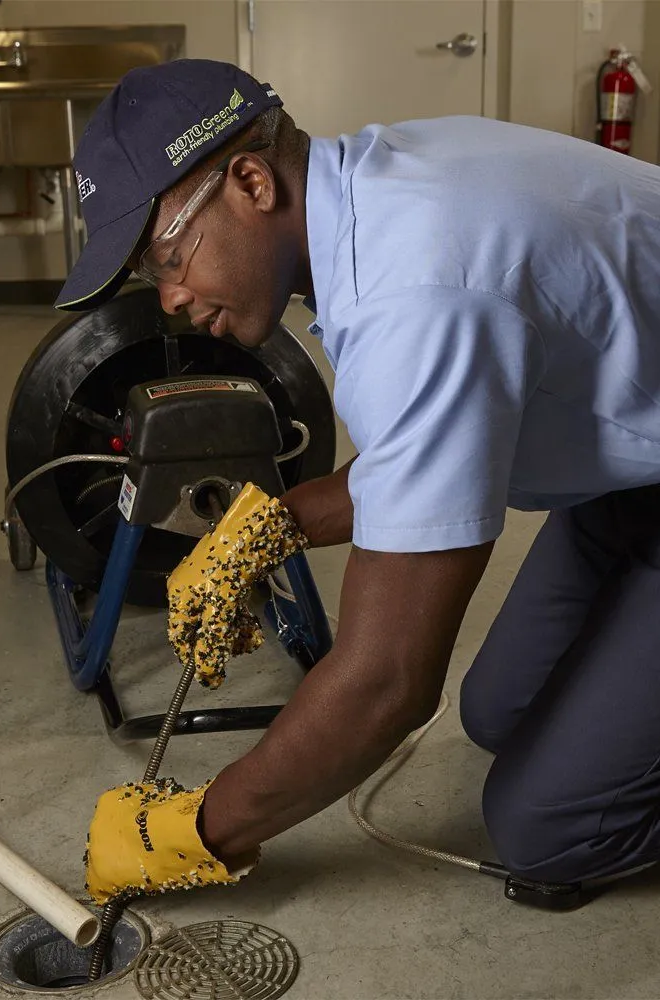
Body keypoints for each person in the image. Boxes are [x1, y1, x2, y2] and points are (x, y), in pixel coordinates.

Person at [53, 59, 660, 903]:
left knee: (550, 828)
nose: (173, 299)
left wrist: (199, 830)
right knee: (499, 713)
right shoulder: (376, 184)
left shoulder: (416, 288)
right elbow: (425, 451)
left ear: (251, 182)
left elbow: (388, 684)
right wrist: (271, 525)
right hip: (630, 476)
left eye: (167, 259)